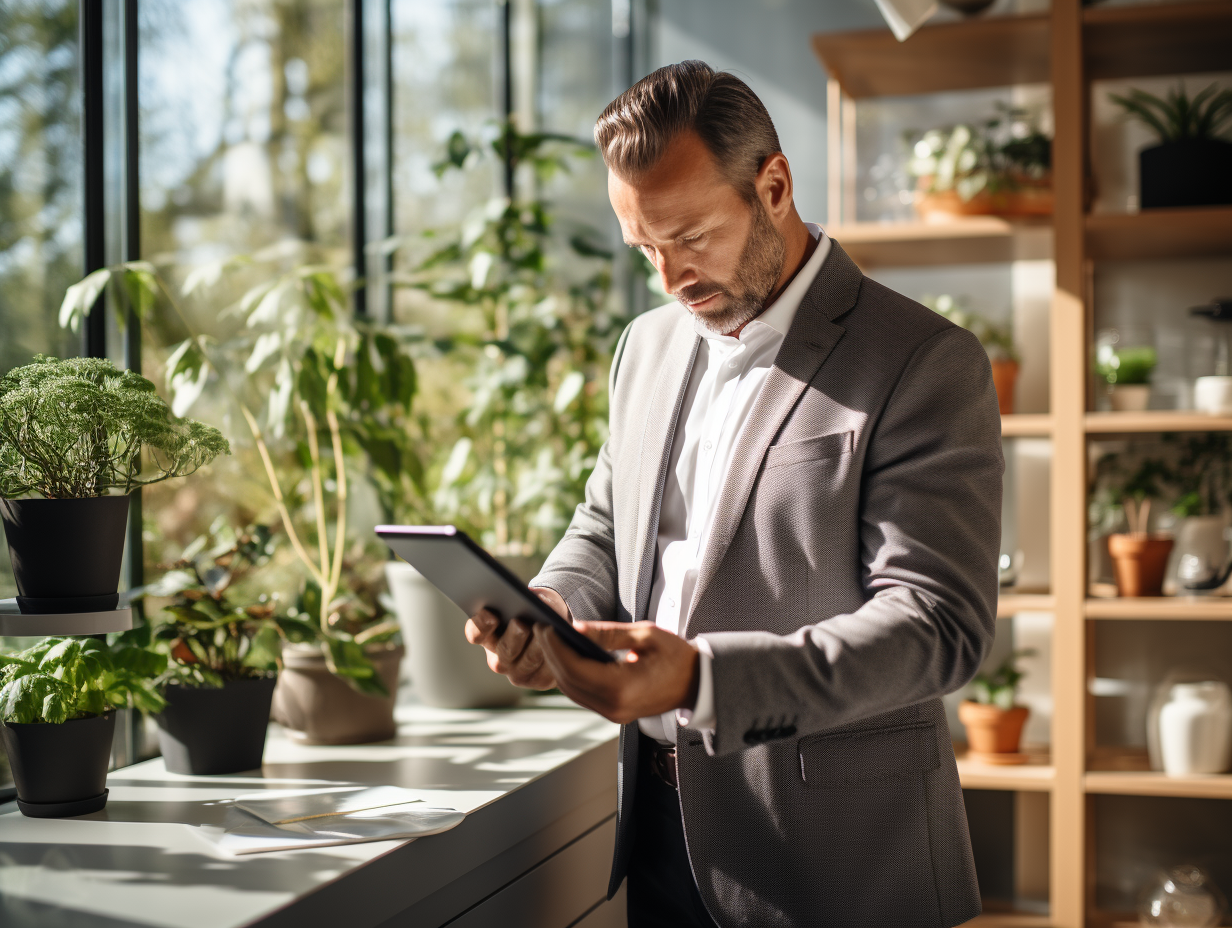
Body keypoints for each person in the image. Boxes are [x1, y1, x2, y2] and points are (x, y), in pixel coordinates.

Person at [465, 60, 1003, 928]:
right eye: (644, 247)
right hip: (659, 836)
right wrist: (552, 603)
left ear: (776, 185)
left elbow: (936, 625)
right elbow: (607, 523)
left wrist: (703, 680)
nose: (670, 278)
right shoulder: (644, 347)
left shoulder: (923, 361)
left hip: (839, 864)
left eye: (691, 236)